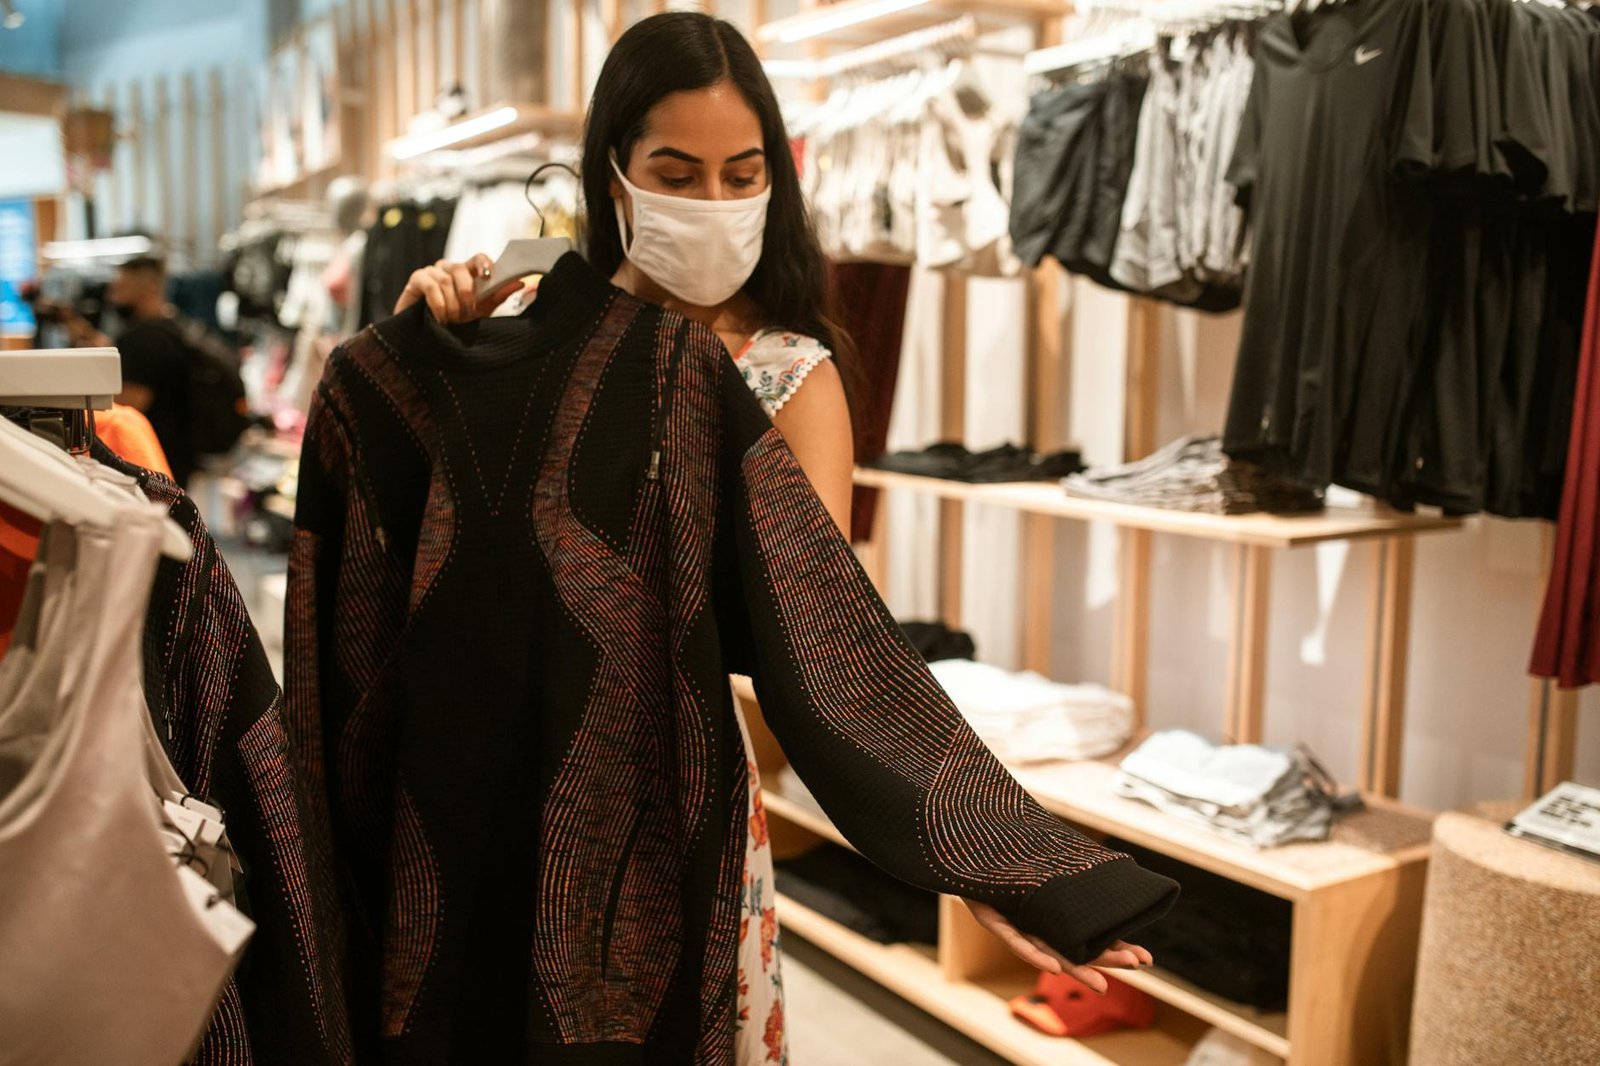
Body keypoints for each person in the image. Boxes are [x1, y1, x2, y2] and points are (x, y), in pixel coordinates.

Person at [393, 12, 1158, 1060]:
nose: (713, 202)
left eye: (741, 174)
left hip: (673, 803)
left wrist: (984, 855)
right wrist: (426, 357)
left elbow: (826, 644)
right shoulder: (526, 342)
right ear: (613, 174)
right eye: (677, 173)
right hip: (500, 781)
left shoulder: (785, 376)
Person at [65, 255, 198, 486]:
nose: (111, 297)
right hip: (178, 450)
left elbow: (128, 404)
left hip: (151, 460)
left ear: (147, 289)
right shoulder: (172, 326)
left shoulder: (141, 339)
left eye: (120, 288)